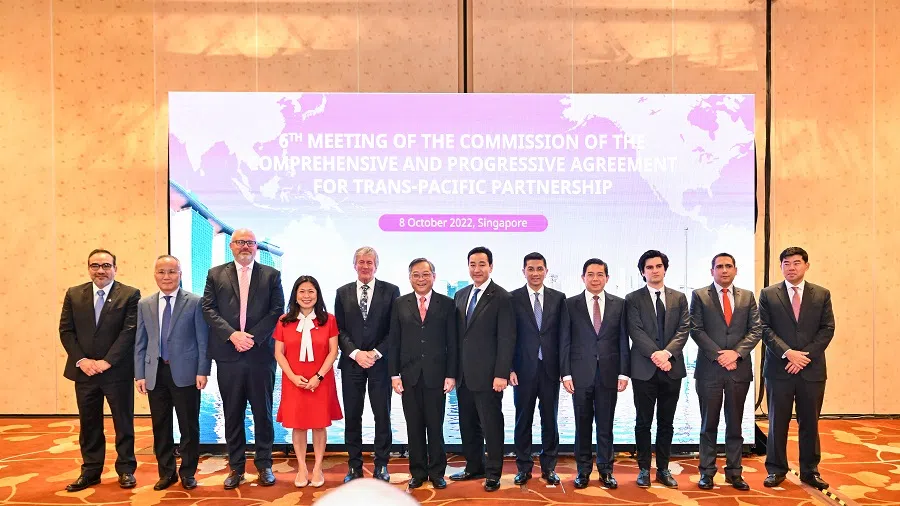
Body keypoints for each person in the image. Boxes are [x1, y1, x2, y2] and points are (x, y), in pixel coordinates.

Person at [201, 228, 284, 490]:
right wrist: (232, 335)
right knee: (232, 413)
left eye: (250, 242)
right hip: (229, 355)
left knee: (263, 414)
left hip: (261, 356)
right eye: (240, 242)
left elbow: (277, 310)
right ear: (231, 246)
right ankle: (236, 467)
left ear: (256, 246)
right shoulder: (215, 274)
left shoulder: (271, 275)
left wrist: (252, 338)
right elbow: (208, 308)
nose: (245, 246)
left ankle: (264, 465)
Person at [59, 249, 141, 492]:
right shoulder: (74, 294)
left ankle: (126, 469)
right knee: (89, 423)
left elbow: (129, 332)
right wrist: (82, 360)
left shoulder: (130, 294)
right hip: (84, 372)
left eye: (106, 265)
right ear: (88, 268)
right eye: (95, 266)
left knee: (123, 422)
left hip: (117, 372)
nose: (100, 270)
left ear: (115, 268)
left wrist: (108, 361)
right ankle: (91, 471)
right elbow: (66, 331)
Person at [760, 247, 835, 491]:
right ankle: (775, 469)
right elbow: (764, 328)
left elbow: (827, 329)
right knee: (777, 422)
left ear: (806, 265)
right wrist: (788, 353)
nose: (791, 267)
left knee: (810, 422)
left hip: (811, 370)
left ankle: (810, 471)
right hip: (778, 369)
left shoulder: (821, 294)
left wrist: (804, 357)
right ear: (781, 266)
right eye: (786, 263)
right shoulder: (768, 294)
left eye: (796, 263)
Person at [134, 255, 211, 491]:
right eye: (161, 272)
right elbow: (140, 341)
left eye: (171, 271)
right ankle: (166, 473)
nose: (166, 276)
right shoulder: (145, 304)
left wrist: (202, 370)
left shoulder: (195, 302)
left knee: (189, 426)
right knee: (160, 426)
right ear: (155, 275)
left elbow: (203, 340)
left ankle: (188, 472)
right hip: (155, 373)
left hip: (186, 373)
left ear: (180, 274)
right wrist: (139, 373)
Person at [690, 253, 761, 491]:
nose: (724, 270)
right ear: (712, 271)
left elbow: (755, 330)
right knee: (708, 425)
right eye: (719, 266)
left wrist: (736, 354)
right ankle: (707, 472)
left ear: (735, 270)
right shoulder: (700, 295)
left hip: (738, 370)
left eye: (728, 266)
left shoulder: (747, 296)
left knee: (735, 425)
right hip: (709, 370)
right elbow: (696, 330)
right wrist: (720, 355)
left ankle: (734, 473)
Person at [450, 246, 516, 492]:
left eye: (482, 264)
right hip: (463, 375)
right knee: (468, 424)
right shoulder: (460, 295)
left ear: (491, 266)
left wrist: (501, 373)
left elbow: (506, 338)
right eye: (472, 264)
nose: (477, 269)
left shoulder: (502, 297)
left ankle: (493, 473)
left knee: (491, 425)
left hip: (489, 377)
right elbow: (458, 337)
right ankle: (474, 466)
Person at [388, 258, 458, 489]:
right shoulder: (400, 304)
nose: (421, 279)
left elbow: (452, 342)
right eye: (416, 275)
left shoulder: (446, 304)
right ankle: (417, 472)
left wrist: (451, 374)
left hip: (437, 376)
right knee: (414, 427)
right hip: (409, 376)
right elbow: (394, 341)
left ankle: (437, 472)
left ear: (433, 277)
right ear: (410, 278)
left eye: (425, 274)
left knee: (435, 427)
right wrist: (394, 375)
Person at [561, 258, 630, 489]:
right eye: (590, 274)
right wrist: (566, 374)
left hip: (609, 374)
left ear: (607, 278)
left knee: (605, 425)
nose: (595, 279)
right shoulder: (570, 304)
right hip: (579, 375)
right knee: (582, 426)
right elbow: (565, 341)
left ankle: (606, 471)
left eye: (600, 274)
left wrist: (624, 373)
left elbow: (623, 340)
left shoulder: (620, 304)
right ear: (583, 277)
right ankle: (582, 471)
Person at [334, 247, 400, 482]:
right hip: (352, 364)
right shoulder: (342, 292)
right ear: (354, 265)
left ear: (376, 265)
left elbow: (394, 329)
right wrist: (355, 353)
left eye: (369, 262)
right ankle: (354, 466)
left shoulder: (391, 291)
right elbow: (339, 329)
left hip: (380, 364)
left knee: (382, 416)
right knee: (353, 417)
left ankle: (382, 465)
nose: (365, 266)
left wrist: (375, 353)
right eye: (360, 262)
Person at [625, 249, 689, 489]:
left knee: (666, 422)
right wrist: (657, 355)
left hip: (672, 368)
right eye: (649, 267)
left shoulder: (679, 298)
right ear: (643, 272)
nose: (654, 271)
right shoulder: (633, 299)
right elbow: (636, 331)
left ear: (665, 269)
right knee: (643, 422)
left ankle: (663, 469)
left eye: (658, 266)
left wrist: (667, 354)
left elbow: (684, 329)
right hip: (644, 370)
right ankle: (643, 469)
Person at [274, 275, 343, 489]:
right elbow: (279, 353)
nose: (306, 295)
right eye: (302, 291)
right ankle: (302, 467)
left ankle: (318, 467)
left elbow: (333, 351)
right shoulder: (284, 320)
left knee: (319, 424)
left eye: (311, 291)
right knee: (299, 425)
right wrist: (293, 377)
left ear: (317, 294)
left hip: (321, 380)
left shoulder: (328, 319)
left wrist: (318, 377)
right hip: (294, 380)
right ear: (295, 295)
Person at [509, 252, 568, 486]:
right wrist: (509, 368)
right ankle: (523, 467)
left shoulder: (558, 298)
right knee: (523, 420)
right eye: (530, 269)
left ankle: (549, 467)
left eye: (539, 269)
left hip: (550, 370)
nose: (535, 273)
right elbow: (508, 336)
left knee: (550, 420)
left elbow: (563, 336)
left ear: (546, 271)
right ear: (523, 271)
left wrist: (564, 369)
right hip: (522, 371)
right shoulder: (512, 298)